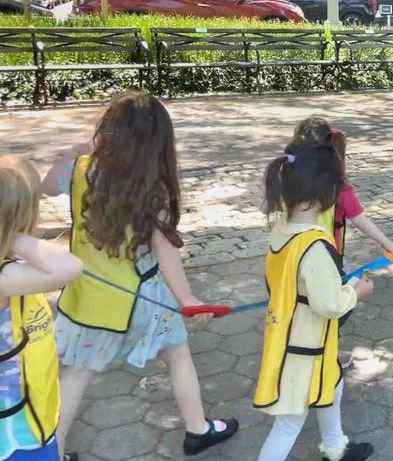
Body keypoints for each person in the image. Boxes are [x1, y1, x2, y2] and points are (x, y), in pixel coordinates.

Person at [41, 93, 238, 459]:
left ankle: (54, 452)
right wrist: (188, 300)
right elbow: (166, 254)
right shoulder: (153, 188)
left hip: (88, 300)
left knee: (75, 374)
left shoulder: (80, 169)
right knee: (177, 355)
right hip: (144, 299)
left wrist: (71, 152)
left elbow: (46, 188)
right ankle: (198, 430)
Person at [256, 142, 374, 461]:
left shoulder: (283, 229)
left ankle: (335, 446)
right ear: (326, 193)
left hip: (298, 336)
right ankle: (334, 446)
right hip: (304, 347)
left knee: (332, 382)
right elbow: (331, 305)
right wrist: (355, 292)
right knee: (289, 424)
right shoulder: (315, 245)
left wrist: (339, 285)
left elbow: (301, 283)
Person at [290, 117, 393, 366]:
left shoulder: (288, 175)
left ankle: (314, 346)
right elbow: (360, 218)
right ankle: (321, 350)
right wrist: (388, 244)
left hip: (290, 257)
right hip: (326, 259)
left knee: (302, 304)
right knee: (341, 302)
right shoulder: (338, 184)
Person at [0, 156, 83, 461]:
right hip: (15, 431)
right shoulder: (5, 279)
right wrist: (13, 235)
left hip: (33, 411)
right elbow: (70, 266)